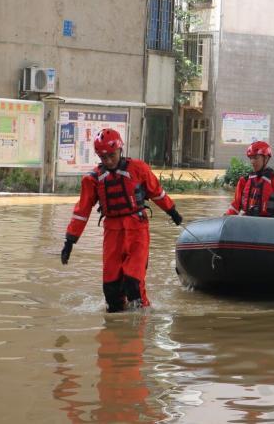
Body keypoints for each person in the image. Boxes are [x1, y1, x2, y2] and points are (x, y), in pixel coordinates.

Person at [59, 128, 184, 313]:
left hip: (137, 230)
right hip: (112, 232)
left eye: (112, 155)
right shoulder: (93, 180)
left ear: (120, 150)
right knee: (111, 291)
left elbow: (157, 192)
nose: (108, 161)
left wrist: (172, 211)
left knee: (133, 283)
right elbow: (81, 212)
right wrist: (70, 241)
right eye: (103, 157)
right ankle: (116, 333)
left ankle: (140, 326)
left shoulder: (139, 169)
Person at [226, 140, 274, 218]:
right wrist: (225, 217)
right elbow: (235, 207)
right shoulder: (244, 181)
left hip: (270, 224)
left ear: (266, 158)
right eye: (250, 158)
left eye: (256, 158)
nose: (252, 161)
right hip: (247, 222)